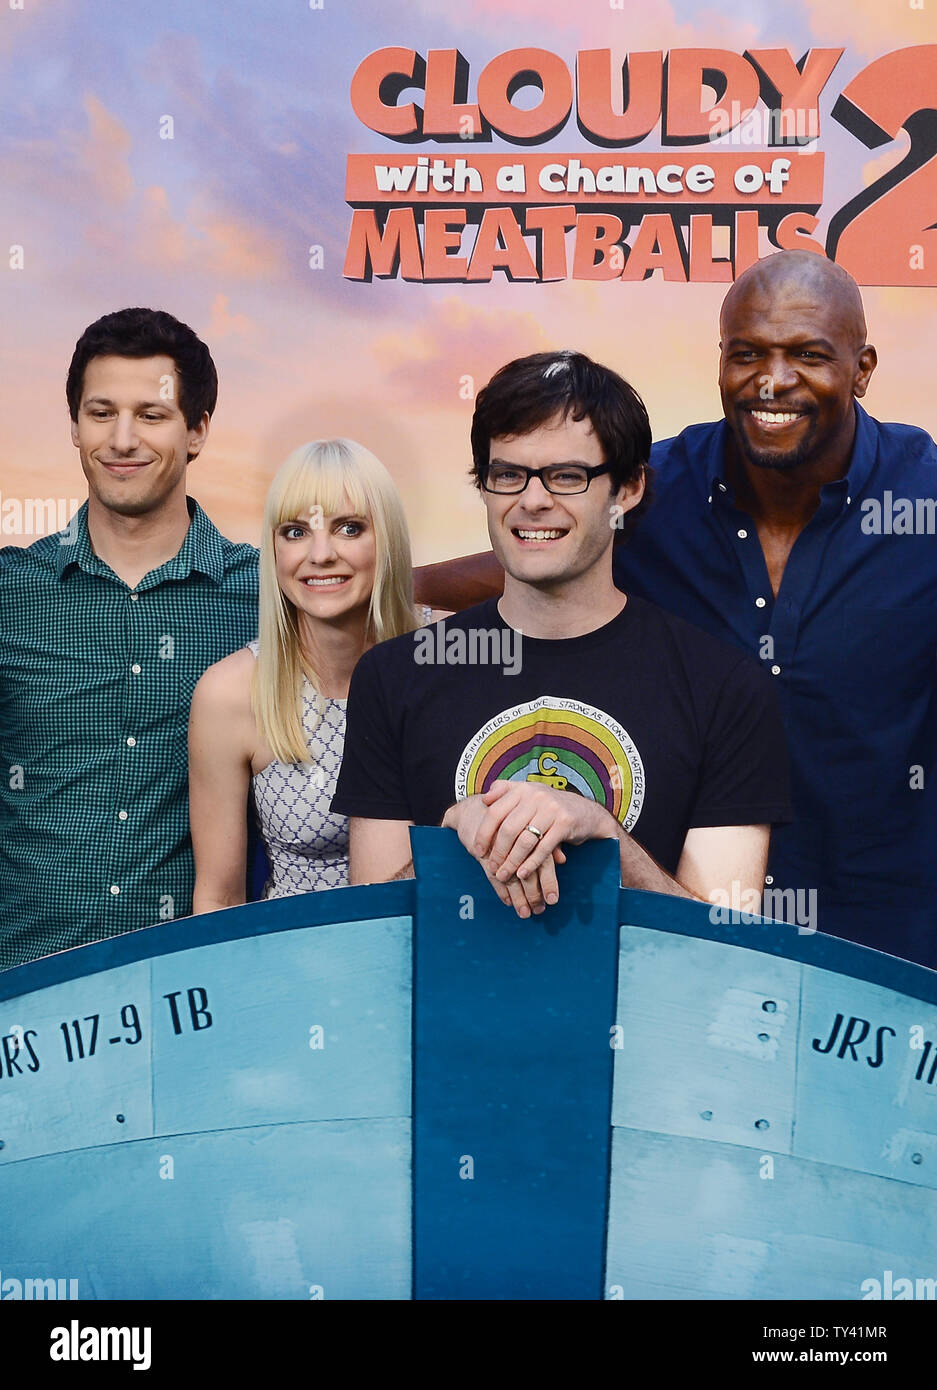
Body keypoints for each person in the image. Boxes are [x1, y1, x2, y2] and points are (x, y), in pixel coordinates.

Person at [412, 252, 937, 966]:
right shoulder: (657, 489)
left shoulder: (922, 500)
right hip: (680, 932)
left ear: (862, 367)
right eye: (746, 353)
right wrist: (377, 586)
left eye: (807, 355)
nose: (771, 381)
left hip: (883, 937)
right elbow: (534, 555)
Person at [332, 351, 792, 916]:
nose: (531, 500)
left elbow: (728, 945)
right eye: (507, 474)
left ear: (626, 491)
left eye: (567, 477)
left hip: (648, 1007)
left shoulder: (726, 689)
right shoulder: (394, 676)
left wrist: (605, 837)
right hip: (448, 1006)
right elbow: (369, 936)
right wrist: (452, 837)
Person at [0, 308, 258, 971]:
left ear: (197, 430)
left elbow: (387, 606)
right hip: (23, 996)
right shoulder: (11, 593)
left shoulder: (267, 599)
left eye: (151, 414)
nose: (121, 439)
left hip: (186, 993)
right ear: (74, 426)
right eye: (100, 412)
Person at [188, 439, 442, 908]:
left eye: (349, 528)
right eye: (295, 531)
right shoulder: (230, 692)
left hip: (452, 952)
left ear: (386, 538)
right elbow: (217, 902)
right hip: (297, 968)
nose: (320, 554)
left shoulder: (455, 654)